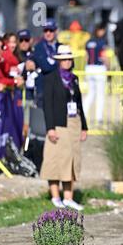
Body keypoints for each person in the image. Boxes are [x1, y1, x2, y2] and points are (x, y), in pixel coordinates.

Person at [40, 45, 88, 211]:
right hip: (58, 123)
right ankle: (55, 196)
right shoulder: (51, 79)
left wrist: (84, 127)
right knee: (55, 159)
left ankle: (69, 197)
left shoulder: (74, 79)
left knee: (72, 159)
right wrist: (50, 128)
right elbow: (47, 105)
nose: (67, 62)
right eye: (64, 59)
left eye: (69, 59)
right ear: (58, 61)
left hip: (74, 122)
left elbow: (80, 103)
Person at [33, 18, 61, 109]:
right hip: (43, 89)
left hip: (59, 88)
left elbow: (70, 64)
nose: (48, 33)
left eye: (51, 30)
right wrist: (59, 63)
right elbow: (45, 67)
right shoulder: (39, 47)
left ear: (56, 31)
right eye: (45, 30)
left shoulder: (61, 46)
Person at [83, 24, 108, 125]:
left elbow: (86, 57)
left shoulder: (88, 42)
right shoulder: (102, 42)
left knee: (90, 93)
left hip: (89, 68)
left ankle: (83, 114)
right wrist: (108, 67)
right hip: (99, 68)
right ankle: (99, 118)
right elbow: (104, 57)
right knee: (100, 94)